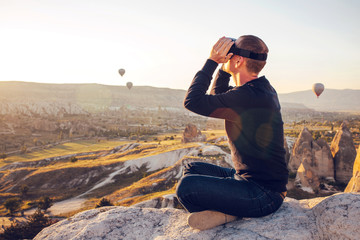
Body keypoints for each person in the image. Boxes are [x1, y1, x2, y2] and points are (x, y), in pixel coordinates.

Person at [176, 35, 289, 230]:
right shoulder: (259, 89)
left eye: (230, 55)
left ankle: (230, 212)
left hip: (263, 195)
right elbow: (218, 97)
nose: (225, 58)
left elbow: (192, 102)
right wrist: (224, 69)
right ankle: (229, 208)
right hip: (247, 180)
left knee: (186, 188)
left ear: (238, 61)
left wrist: (212, 61)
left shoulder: (248, 95)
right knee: (192, 168)